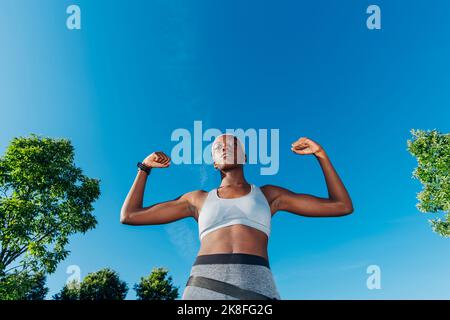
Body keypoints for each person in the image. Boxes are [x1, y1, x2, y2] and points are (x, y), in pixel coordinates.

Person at [120, 134, 354, 300]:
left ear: (245, 156)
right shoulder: (197, 200)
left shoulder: (269, 195)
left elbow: (341, 206)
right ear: (214, 163)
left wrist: (321, 155)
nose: (224, 147)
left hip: (257, 283)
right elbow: (130, 215)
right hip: (203, 285)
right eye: (217, 147)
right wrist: (144, 168)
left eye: (232, 143)